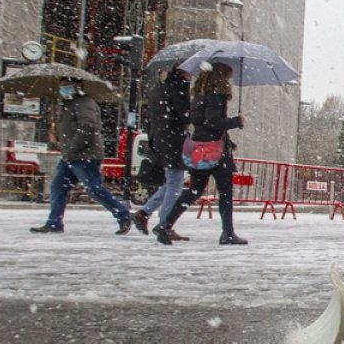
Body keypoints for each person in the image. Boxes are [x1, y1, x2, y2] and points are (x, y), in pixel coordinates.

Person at [152, 64, 246, 246]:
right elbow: (214, 121)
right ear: (221, 77)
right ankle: (228, 233)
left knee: (193, 191)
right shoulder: (216, 95)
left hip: (200, 148)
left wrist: (229, 140)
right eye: (227, 76)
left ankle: (166, 224)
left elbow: (199, 121)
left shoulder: (198, 94)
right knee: (225, 193)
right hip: (216, 151)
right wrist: (236, 121)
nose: (228, 81)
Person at [29, 78, 132, 234]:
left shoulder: (84, 103)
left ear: (78, 86)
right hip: (71, 156)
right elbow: (74, 129)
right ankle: (54, 222)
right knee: (59, 187)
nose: (63, 90)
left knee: (94, 189)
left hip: (85, 155)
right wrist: (59, 141)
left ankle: (124, 215)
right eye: (62, 86)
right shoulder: (69, 104)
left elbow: (88, 126)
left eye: (67, 86)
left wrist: (72, 148)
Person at [131, 68, 191, 242]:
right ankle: (165, 223)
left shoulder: (159, 89)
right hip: (174, 140)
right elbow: (185, 115)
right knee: (174, 184)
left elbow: (151, 117)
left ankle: (144, 213)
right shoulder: (178, 88)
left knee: (172, 182)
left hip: (160, 139)